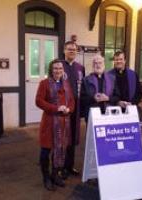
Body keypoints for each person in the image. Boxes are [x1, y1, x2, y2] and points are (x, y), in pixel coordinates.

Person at [35, 59, 75, 190]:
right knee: (45, 151)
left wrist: (69, 109)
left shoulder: (67, 84)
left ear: (63, 70)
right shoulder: (44, 83)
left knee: (60, 150)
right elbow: (39, 101)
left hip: (63, 123)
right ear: (51, 70)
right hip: (49, 123)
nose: (58, 71)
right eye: (55, 68)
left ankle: (54, 175)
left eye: (60, 68)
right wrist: (56, 108)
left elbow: (71, 101)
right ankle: (46, 177)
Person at [62, 41, 85, 177]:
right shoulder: (58, 66)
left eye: (74, 50)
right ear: (64, 50)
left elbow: (82, 88)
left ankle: (70, 166)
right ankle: (60, 167)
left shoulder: (80, 68)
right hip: (63, 108)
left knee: (73, 138)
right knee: (62, 138)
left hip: (75, 108)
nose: (72, 51)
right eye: (69, 49)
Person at [80, 54, 120, 122]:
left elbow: (117, 96)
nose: (98, 65)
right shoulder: (86, 80)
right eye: (95, 63)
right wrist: (93, 98)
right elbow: (82, 99)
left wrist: (108, 98)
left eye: (100, 63)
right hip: (92, 116)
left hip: (109, 115)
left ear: (104, 64)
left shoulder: (112, 79)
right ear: (93, 66)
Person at [108, 50, 142, 119]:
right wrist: (117, 102)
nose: (118, 61)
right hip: (114, 110)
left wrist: (132, 103)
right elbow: (107, 94)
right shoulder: (108, 75)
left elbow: (139, 93)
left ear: (125, 60)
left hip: (130, 110)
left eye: (121, 59)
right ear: (114, 61)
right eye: (116, 60)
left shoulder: (133, 74)